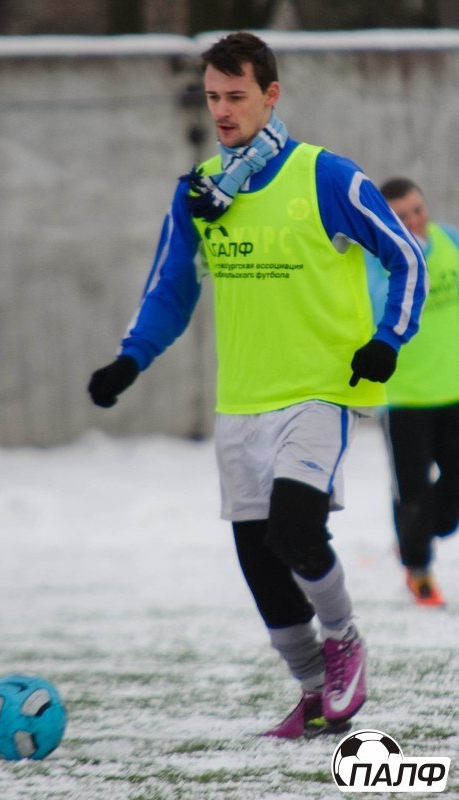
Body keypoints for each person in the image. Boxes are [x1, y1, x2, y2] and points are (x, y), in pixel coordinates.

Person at [88, 33, 427, 739]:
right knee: (259, 558)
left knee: (295, 527)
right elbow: (170, 289)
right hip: (242, 400)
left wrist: (387, 340)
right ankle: (313, 691)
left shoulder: (326, 177)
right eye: (212, 96)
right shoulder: (200, 192)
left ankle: (344, 640)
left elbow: (405, 256)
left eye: (235, 95)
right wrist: (130, 359)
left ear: (271, 95)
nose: (221, 110)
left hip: (319, 389)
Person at [366, 177, 458, 607]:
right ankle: (418, 570)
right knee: (412, 490)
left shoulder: (450, 241)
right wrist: (406, 261)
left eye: (417, 210)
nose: (414, 221)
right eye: (402, 217)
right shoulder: (376, 262)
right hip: (404, 398)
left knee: (444, 502)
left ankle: (415, 535)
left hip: (454, 391)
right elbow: (371, 309)